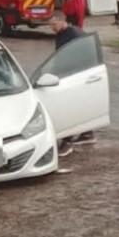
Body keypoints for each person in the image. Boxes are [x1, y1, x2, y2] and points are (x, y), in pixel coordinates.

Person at [48, 13, 96, 155]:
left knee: (68, 107)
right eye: (50, 25)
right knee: (79, 105)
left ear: (62, 21)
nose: (51, 28)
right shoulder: (63, 34)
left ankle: (67, 142)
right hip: (72, 75)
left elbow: (81, 55)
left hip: (77, 75)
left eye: (53, 25)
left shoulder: (74, 35)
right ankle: (87, 134)